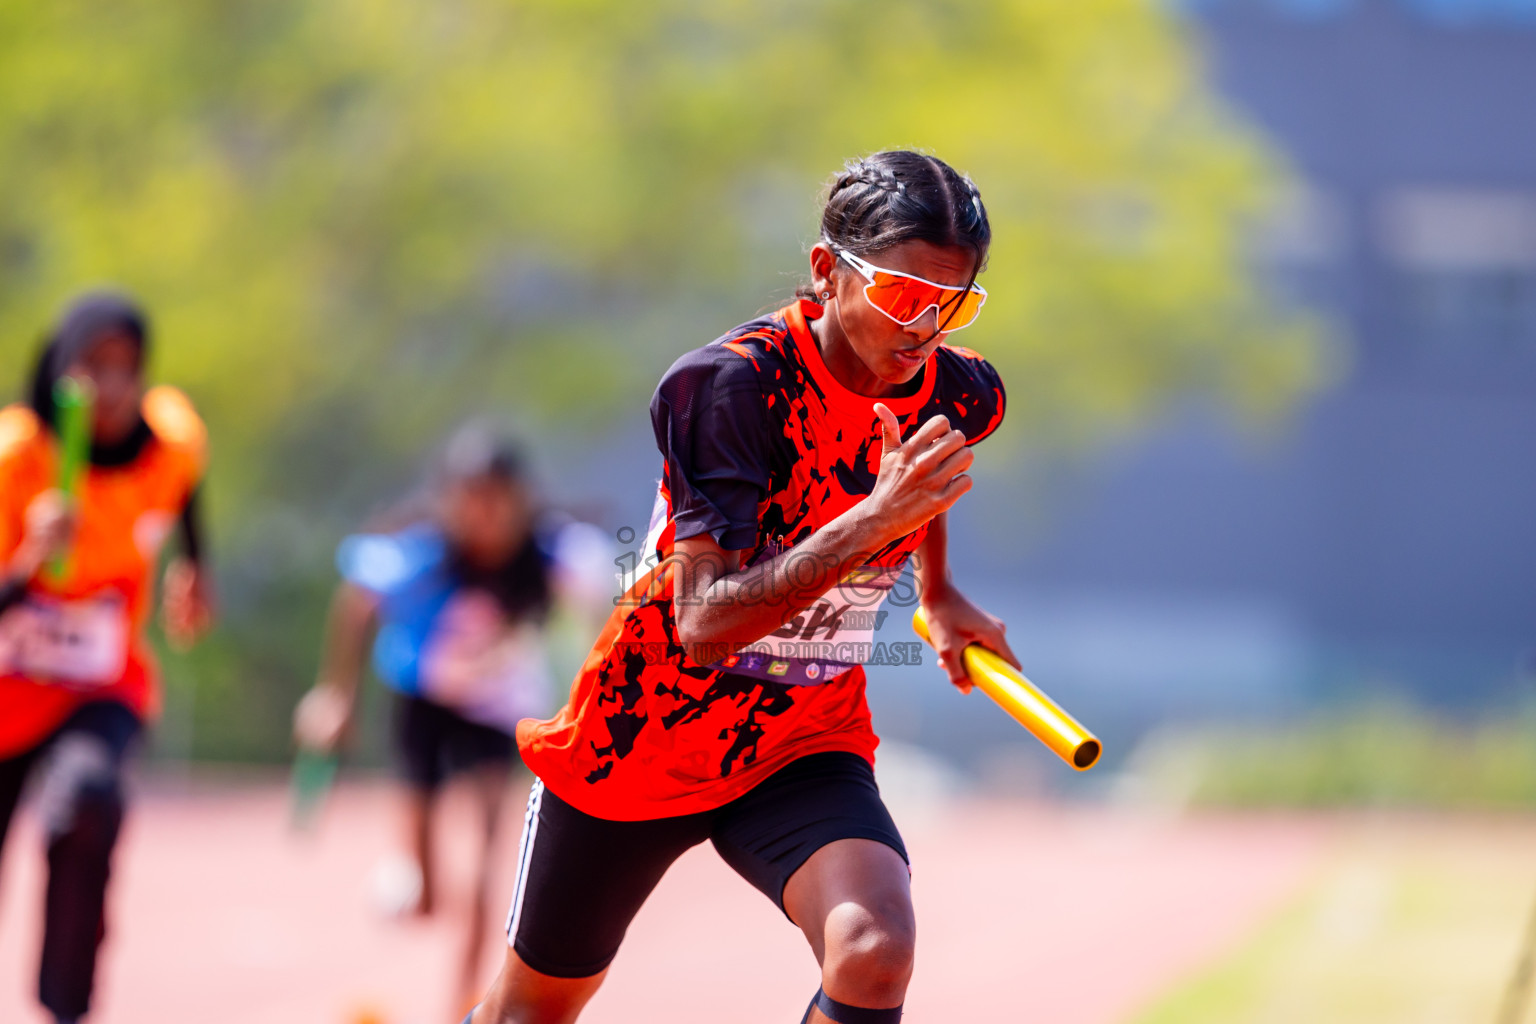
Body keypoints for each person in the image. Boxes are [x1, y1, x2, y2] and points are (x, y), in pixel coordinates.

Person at [469, 150, 1018, 1024]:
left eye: (952, 303)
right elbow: (702, 623)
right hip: (641, 736)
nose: (925, 329)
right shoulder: (731, 388)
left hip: (801, 737)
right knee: (528, 1014)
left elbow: (927, 472)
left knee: (875, 952)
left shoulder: (955, 387)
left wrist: (939, 590)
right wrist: (875, 522)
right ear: (827, 271)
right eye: (904, 295)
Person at [294, 424, 611, 1014]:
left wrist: (599, 694)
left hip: (497, 713)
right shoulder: (424, 553)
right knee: (426, 891)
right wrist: (335, 695)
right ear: (451, 500)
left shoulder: (550, 554)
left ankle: (461, 1003)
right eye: (471, 498)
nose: (484, 515)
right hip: (425, 702)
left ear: (520, 500)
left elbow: (605, 604)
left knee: (488, 858)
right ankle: (413, 877)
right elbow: (357, 603)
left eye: (497, 498)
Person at [0, 292, 212, 1024]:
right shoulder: (14, 461)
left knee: (90, 804)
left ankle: (65, 1007)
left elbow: (185, 485)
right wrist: (28, 559)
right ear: (60, 369)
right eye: (94, 366)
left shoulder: (169, 441)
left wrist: (195, 565)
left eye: (128, 368)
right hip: (5, 696)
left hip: (101, 685)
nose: (113, 388)